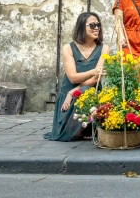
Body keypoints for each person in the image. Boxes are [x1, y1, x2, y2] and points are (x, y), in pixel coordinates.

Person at [44, 12, 109, 142]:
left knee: (86, 91)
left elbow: (95, 79)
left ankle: (84, 128)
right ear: (81, 27)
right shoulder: (68, 48)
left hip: (89, 91)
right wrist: (93, 71)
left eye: (98, 25)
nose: (96, 28)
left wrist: (72, 92)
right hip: (69, 96)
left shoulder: (104, 48)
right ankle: (78, 129)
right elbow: (73, 77)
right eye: (92, 25)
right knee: (65, 135)